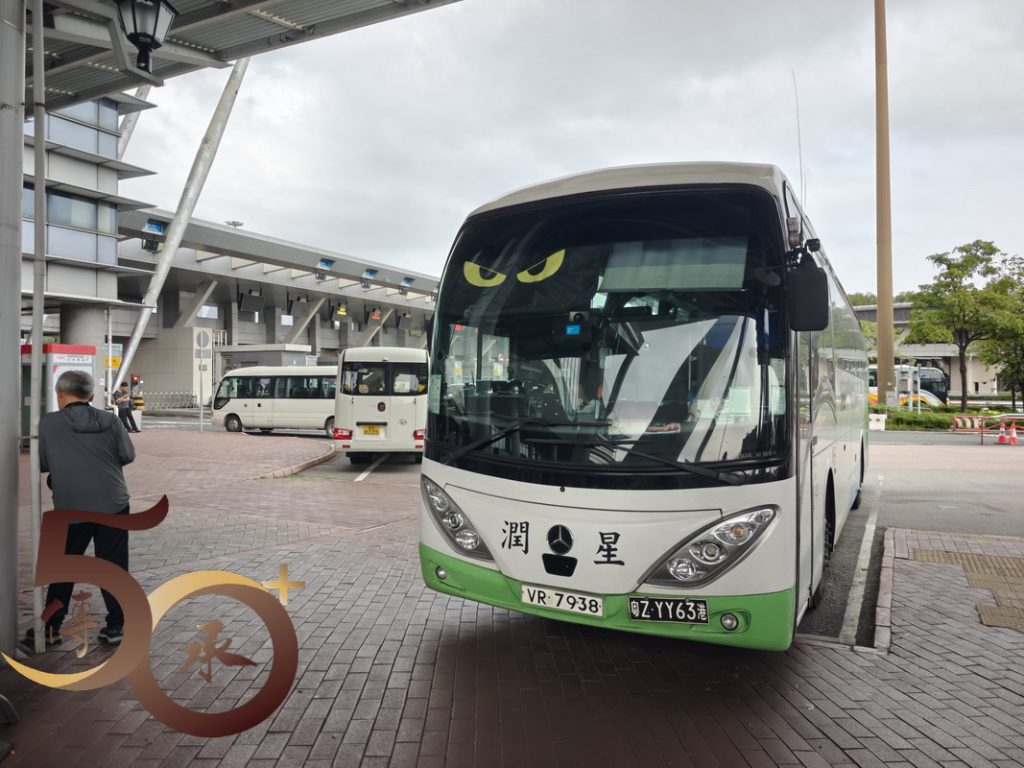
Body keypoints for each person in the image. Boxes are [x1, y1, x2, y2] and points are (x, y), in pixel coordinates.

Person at [26, 370, 135, 648]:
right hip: (114, 502)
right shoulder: (111, 420)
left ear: (60, 393)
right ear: (92, 395)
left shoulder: (48, 423)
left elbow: (43, 463)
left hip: (71, 506)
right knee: (113, 566)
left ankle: (51, 629)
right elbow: (127, 455)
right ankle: (116, 627)